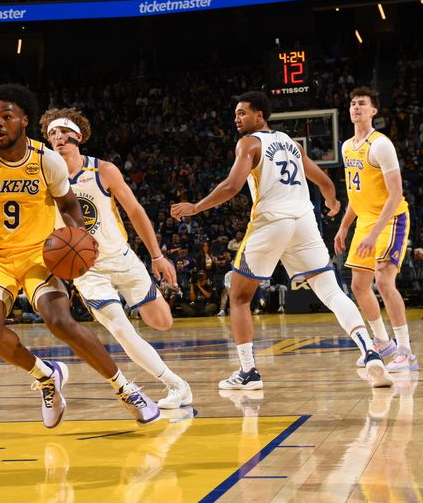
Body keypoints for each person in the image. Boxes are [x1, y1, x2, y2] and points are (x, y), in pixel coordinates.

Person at [0, 84, 159, 428]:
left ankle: (125, 388)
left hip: (39, 255)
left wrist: (78, 239)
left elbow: (70, 207)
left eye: (6, 117)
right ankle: (47, 375)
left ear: (24, 120)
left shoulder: (46, 159)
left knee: (61, 322)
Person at [171, 90, 392, 390]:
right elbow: (326, 182)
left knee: (238, 297)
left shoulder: (248, 143)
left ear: (259, 115)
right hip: (303, 222)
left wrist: (195, 207)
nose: (236, 118)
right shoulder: (290, 142)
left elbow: (231, 186)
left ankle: (248, 373)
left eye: (242, 113)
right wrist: (332, 203)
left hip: (271, 222)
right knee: (331, 292)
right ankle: (369, 350)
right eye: (235, 113)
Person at [43, 107, 192, 409]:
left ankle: (146, 300)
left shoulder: (104, 170)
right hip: (86, 270)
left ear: (78, 136)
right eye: (51, 133)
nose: (57, 137)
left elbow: (135, 212)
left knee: (162, 322)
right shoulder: (45, 179)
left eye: (62, 131)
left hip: (121, 257)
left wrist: (157, 256)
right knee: (121, 328)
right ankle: (176, 385)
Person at [334, 86, 417, 372]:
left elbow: (395, 194)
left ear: (373, 110)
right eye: (353, 103)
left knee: (383, 280)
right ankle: (382, 342)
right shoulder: (346, 147)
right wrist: (344, 227)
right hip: (365, 220)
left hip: (391, 218)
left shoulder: (381, 144)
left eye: (362, 104)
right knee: (358, 285)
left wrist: (372, 232)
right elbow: (356, 195)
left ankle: (405, 349)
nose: (356, 107)